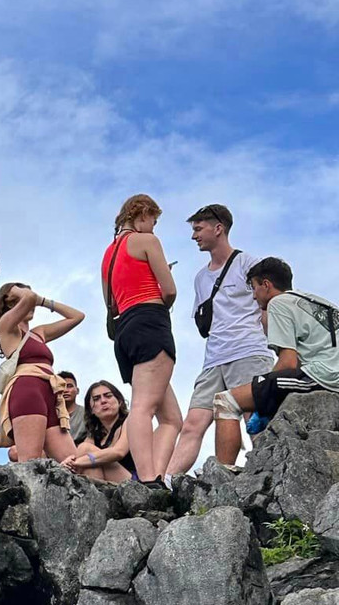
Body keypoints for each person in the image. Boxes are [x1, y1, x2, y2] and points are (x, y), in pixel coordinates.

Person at [167, 205, 274, 476]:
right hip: (213, 358)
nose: (194, 236)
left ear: (219, 228)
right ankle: (168, 481)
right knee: (193, 423)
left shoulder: (248, 263)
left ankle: (268, 476)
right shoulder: (200, 278)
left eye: (198, 228)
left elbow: (268, 304)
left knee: (254, 418)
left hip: (248, 351)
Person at [101, 195, 182, 483]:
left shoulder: (108, 254)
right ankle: (146, 480)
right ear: (142, 214)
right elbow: (169, 290)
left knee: (172, 419)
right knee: (142, 408)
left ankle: (156, 476)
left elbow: (110, 302)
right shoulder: (146, 241)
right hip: (150, 322)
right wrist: (160, 285)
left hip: (124, 332)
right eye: (154, 221)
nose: (154, 229)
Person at [212, 258, 339, 435]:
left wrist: (263, 401)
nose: (254, 295)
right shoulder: (318, 302)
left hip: (325, 375)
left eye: (253, 287)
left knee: (226, 401)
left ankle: (225, 464)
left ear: (266, 285)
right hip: (329, 369)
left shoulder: (278, 303)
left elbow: (288, 363)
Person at [0, 284, 84, 463]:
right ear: (9, 302)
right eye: (19, 296)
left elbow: (77, 316)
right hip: (27, 391)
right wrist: (18, 292)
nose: (30, 301)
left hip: (50, 393)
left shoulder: (38, 333)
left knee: (74, 461)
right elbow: (29, 298)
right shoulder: (7, 327)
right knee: (31, 462)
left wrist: (43, 301)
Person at [62, 381, 135, 483]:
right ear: (91, 409)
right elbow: (82, 452)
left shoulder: (130, 420)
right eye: (96, 399)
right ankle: (94, 498)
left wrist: (76, 462)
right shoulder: (95, 432)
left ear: (120, 401)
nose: (103, 401)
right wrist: (71, 460)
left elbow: (119, 452)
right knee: (88, 460)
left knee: (86, 451)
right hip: (110, 484)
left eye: (108, 396)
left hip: (133, 482)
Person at [58, 374, 86, 444]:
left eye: (69, 386)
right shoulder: (50, 415)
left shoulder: (87, 413)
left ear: (77, 390)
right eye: (61, 386)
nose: (65, 390)